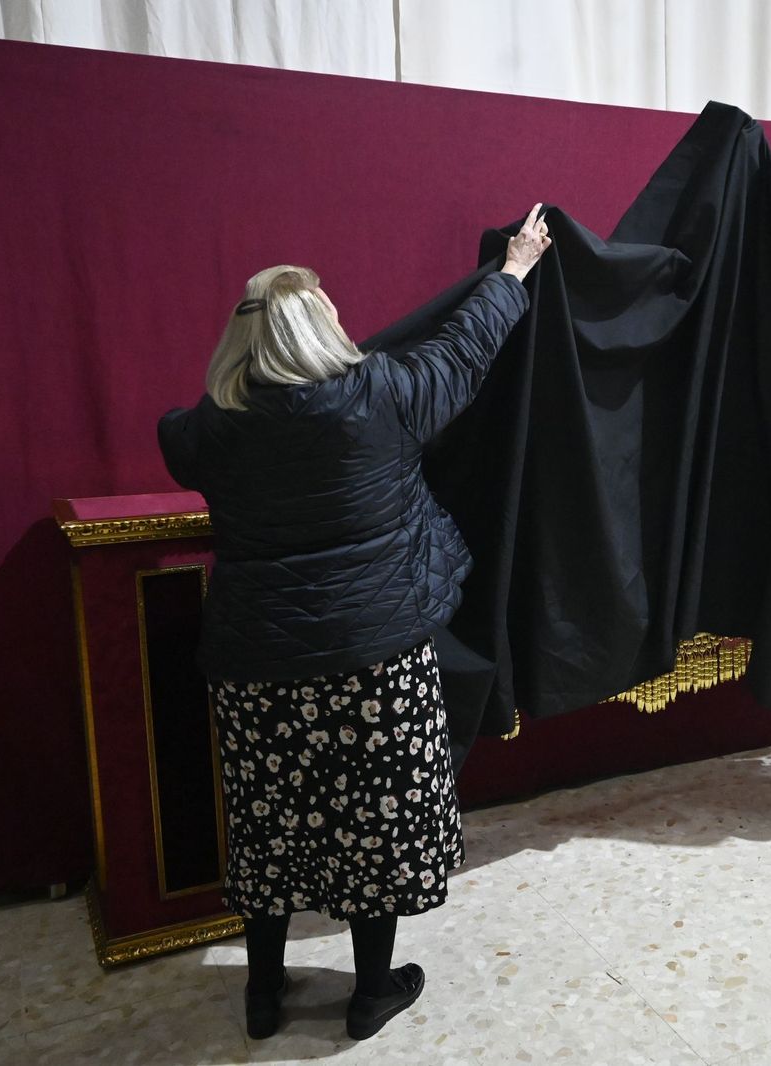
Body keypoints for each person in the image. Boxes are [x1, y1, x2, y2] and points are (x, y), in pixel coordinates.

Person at [158, 204, 551, 1040]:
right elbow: (463, 351)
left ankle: (264, 994)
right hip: (374, 657)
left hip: (253, 664)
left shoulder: (202, 434)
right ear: (320, 332)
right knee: (380, 822)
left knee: (268, 823)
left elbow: (176, 435)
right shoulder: (379, 396)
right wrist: (513, 272)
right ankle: (372, 994)